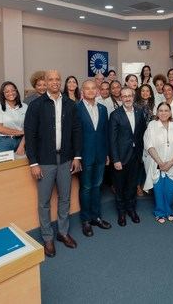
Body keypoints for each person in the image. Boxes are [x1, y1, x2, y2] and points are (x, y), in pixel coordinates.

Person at [24, 70, 82, 258]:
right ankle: (47, 237)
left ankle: (63, 233)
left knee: (65, 198)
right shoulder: (36, 105)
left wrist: (77, 157)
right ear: (45, 82)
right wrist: (33, 163)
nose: (55, 82)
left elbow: (76, 131)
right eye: (51, 79)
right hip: (45, 161)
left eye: (58, 79)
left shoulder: (70, 104)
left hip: (66, 159)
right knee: (44, 202)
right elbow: (30, 135)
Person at [77, 80, 112, 237]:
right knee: (86, 187)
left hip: (100, 155)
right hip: (84, 155)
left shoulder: (103, 109)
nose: (91, 91)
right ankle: (85, 220)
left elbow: (105, 134)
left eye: (93, 88)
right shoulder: (76, 109)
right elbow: (74, 135)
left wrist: (106, 154)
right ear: (82, 91)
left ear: (97, 91)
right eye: (87, 88)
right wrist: (76, 156)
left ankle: (96, 217)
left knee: (97, 186)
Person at [109, 87, 146, 227]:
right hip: (121, 158)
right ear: (121, 98)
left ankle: (131, 210)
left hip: (135, 157)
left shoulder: (139, 112)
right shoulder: (115, 115)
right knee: (120, 187)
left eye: (129, 95)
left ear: (133, 96)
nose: (127, 98)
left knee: (131, 186)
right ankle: (121, 213)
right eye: (124, 96)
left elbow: (142, 134)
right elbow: (111, 139)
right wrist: (116, 159)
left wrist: (142, 154)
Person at [143, 102, 173, 224]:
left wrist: (171, 163)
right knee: (159, 189)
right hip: (156, 163)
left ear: (170, 112)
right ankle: (160, 212)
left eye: (166, 110)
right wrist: (161, 163)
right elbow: (149, 145)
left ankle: (168, 209)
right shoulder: (152, 125)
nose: (163, 113)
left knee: (170, 189)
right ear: (157, 112)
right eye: (161, 110)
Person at [0, 81, 27, 155]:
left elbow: (29, 128)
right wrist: (20, 132)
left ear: (16, 91)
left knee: (21, 165)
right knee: (0, 166)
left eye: (13, 90)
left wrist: (21, 145)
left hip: (22, 141)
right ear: (3, 94)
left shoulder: (25, 107)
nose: (11, 93)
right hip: (3, 141)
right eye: (7, 91)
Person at [135, 83, 157, 197]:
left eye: (147, 91)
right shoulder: (135, 105)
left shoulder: (154, 105)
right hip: (139, 137)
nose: (145, 93)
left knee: (151, 162)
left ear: (150, 94)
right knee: (140, 162)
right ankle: (138, 186)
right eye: (142, 91)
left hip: (152, 137)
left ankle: (148, 184)